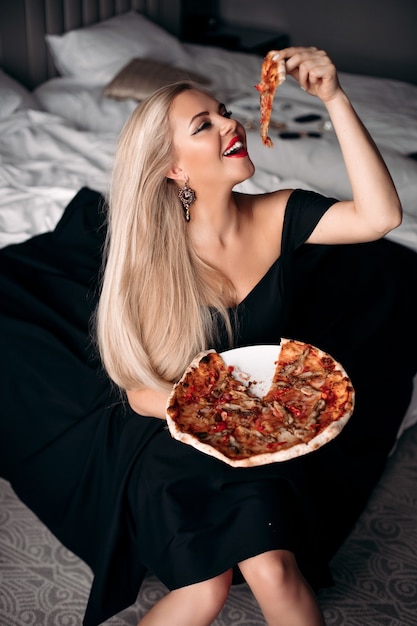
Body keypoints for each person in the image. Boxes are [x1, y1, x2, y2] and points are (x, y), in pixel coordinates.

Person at [1, 46, 417, 626]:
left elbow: (379, 218)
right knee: (206, 589)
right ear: (174, 168)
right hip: (166, 434)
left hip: (255, 431)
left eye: (224, 110)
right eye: (206, 124)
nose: (231, 122)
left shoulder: (279, 213)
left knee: (275, 570)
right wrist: (220, 417)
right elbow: (138, 390)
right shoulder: (151, 256)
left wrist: (334, 99)